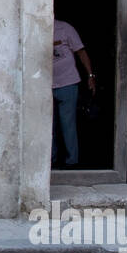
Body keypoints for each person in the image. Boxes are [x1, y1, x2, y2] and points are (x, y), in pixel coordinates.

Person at [52, 18, 96, 167]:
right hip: (44, 86)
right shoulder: (36, 27)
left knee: (67, 124)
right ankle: (51, 160)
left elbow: (81, 52)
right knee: (48, 126)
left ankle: (72, 161)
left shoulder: (65, 28)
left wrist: (90, 76)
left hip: (67, 84)